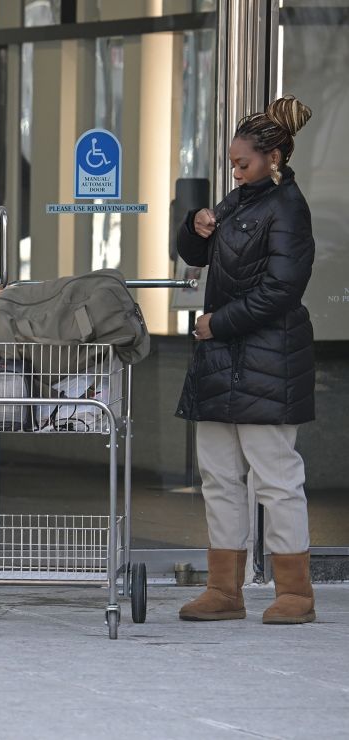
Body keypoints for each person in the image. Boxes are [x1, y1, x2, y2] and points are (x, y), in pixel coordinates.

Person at [175, 96, 317, 625]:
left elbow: (283, 288)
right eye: (232, 163)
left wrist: (218, 323)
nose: (235, 172)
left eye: (243, 163)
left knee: (277, 480)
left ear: (274, 156)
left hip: (266, 361)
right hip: (222, 362)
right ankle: (224, 589)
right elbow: (194, 255)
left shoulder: (288, 207)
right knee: (218, 478)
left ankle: (296, 595)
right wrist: (197, 225)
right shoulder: (238, 202)